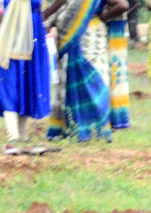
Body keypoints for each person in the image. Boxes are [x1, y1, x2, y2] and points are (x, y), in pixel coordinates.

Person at [0, 0, 58, 154]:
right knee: (9, 80)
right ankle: (13, 135)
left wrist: (44, 15)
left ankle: (22, 133)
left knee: (29, 79)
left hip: (34, 31)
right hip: (12, 30)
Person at [46, 0, 126, 141]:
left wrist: (104, 17)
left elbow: (123, 5)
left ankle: (77, 130)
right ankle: (96, 132)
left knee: (90, 83)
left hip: (87, 36)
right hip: (86, 33)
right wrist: (103, 17)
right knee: (95, 83)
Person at [106, 6, 131, 128]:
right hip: (116, 24)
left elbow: (124, 5)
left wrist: (103, 15)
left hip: (110, 25)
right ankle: (118, 118)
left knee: (114, 73)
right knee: (116, 73)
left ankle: (115, 118)